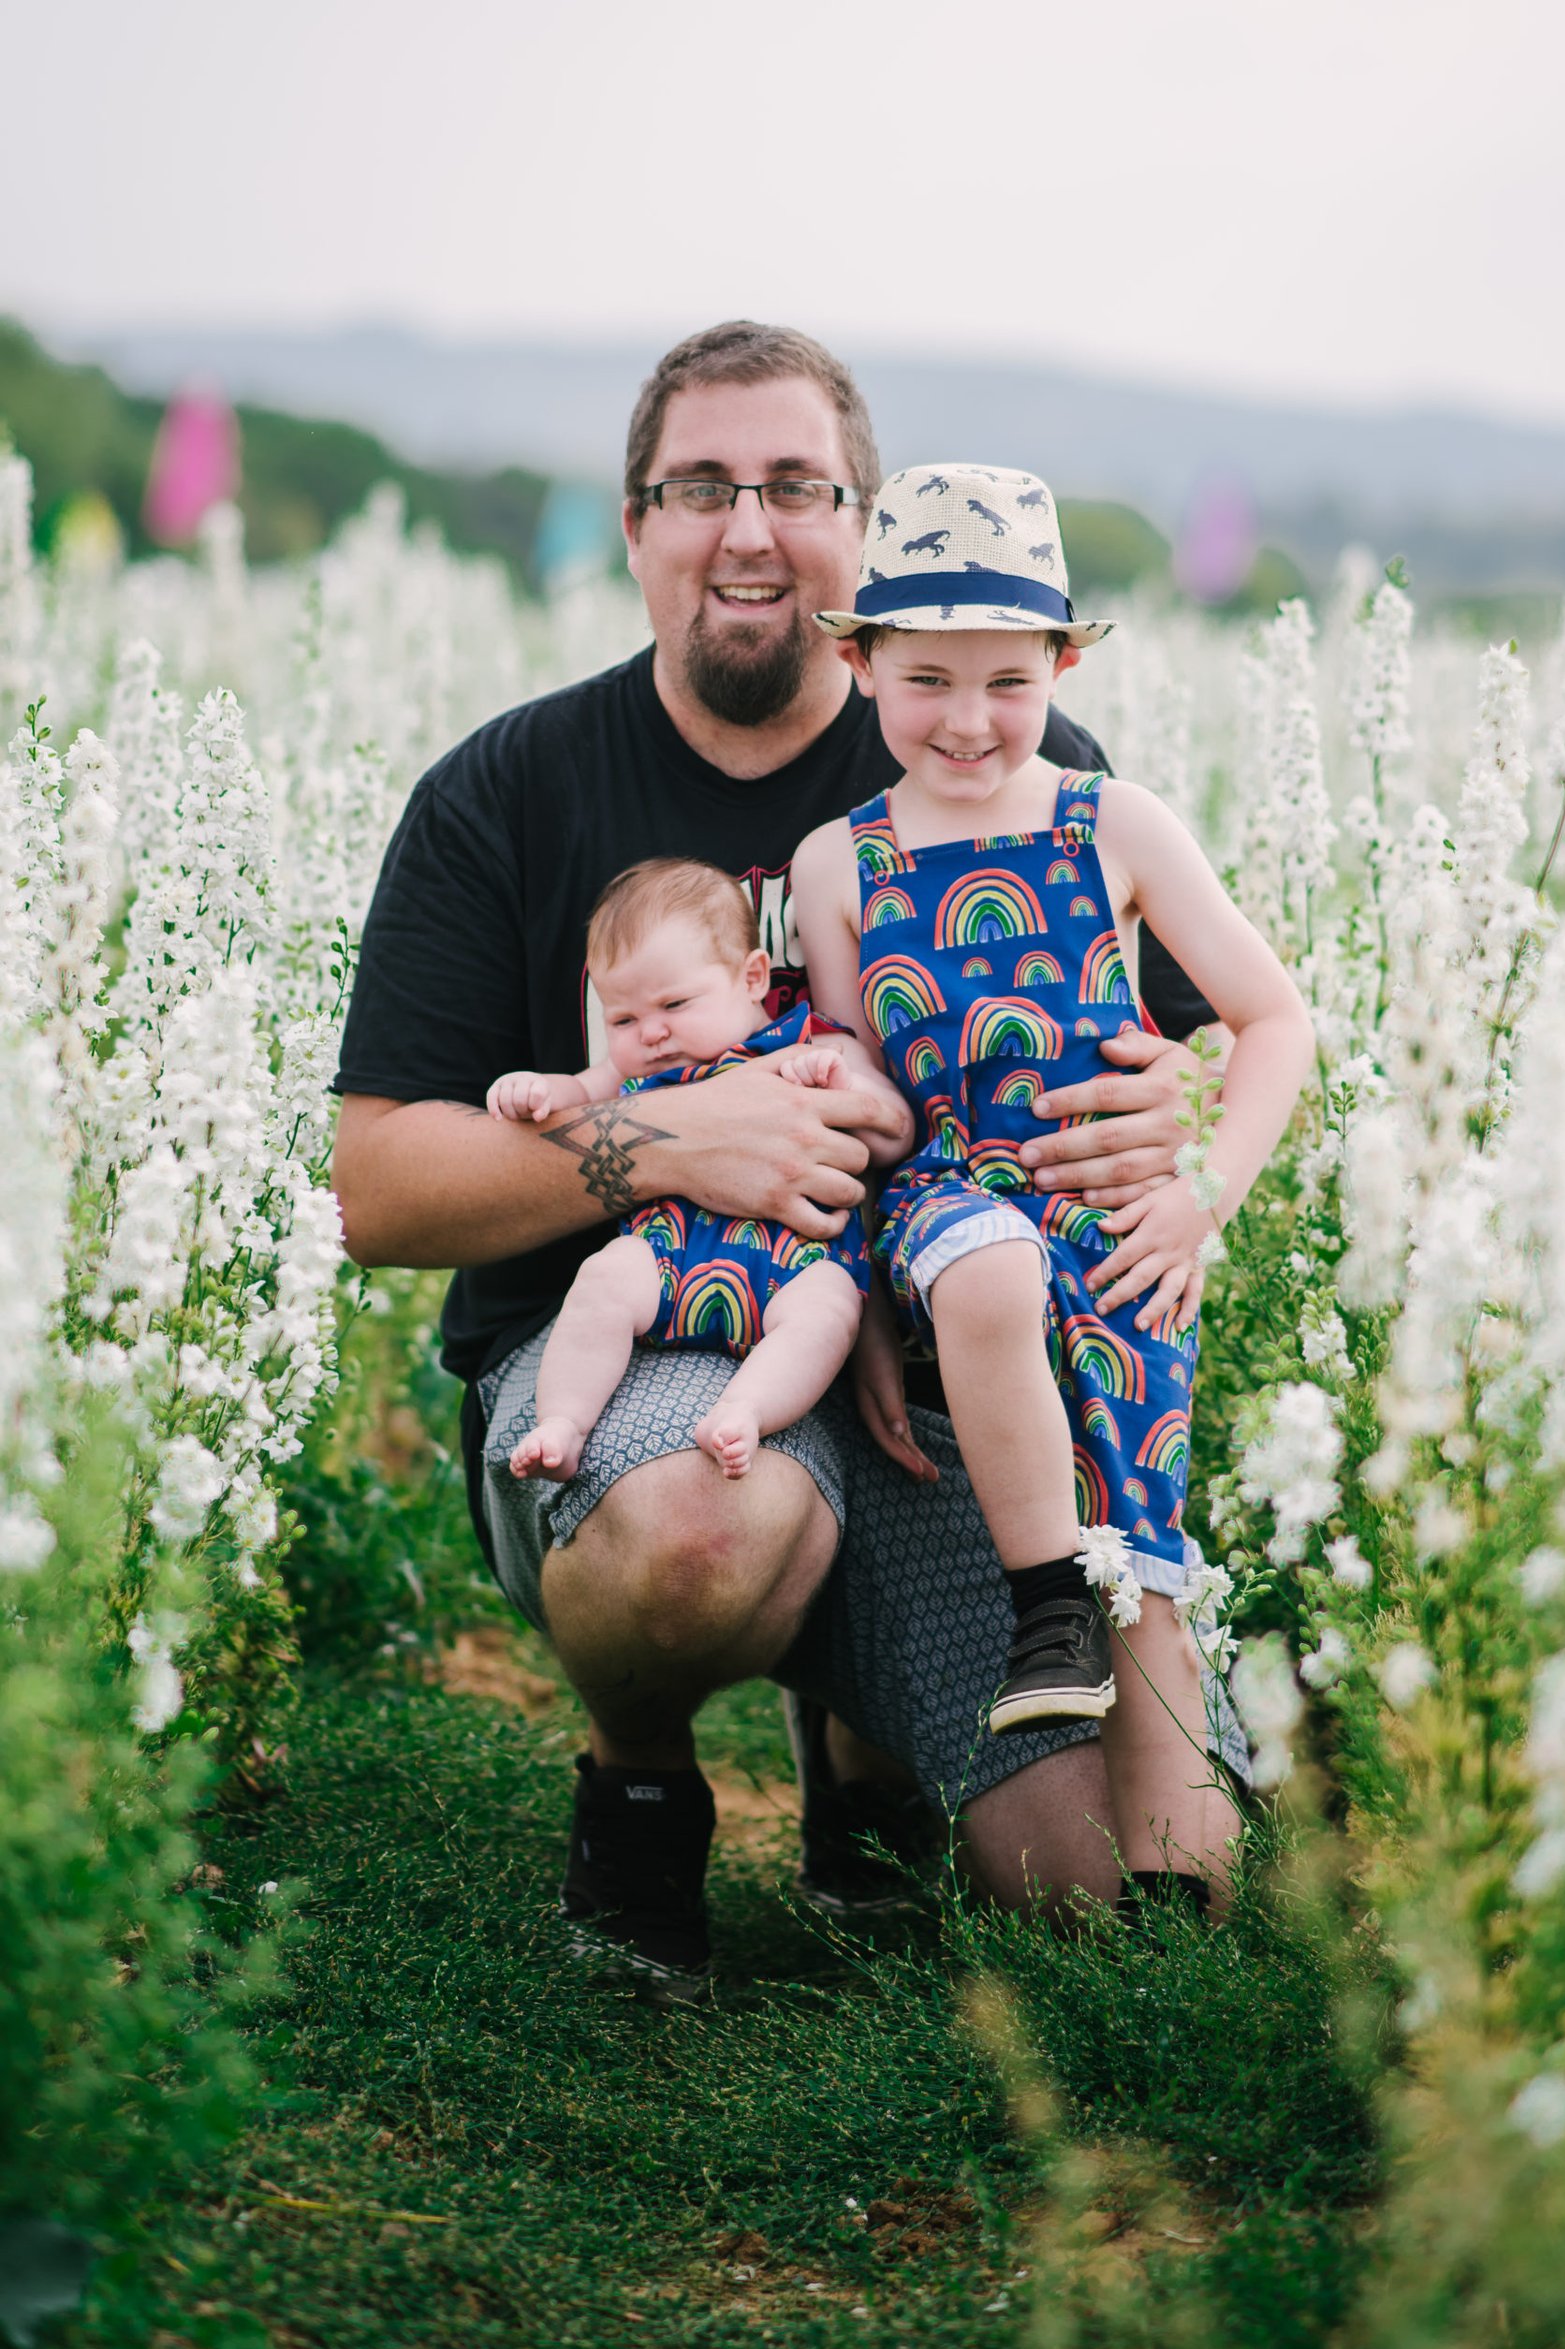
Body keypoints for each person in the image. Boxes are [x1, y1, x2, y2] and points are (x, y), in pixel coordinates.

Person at [331, 321, 1242, 1995]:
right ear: (634, 526)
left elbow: (1181, 1036)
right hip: (645, 1354)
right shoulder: (507, 791)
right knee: (698, 1518)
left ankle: (867, 1759)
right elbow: (381, 1188)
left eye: (798, 487)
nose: (747, 527)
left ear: (862, 538)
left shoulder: (1011, 762)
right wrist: (673, 1145)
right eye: (699, 486)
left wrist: (1166, 1111)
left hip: (951, 1374)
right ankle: (643, 1784)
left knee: (1093, 1879)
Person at [791, 464, 1314, 1909]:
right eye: (928, 680)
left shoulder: (1118, 825)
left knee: (1146, 1560)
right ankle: (1040, 1618)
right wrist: (858, 1312)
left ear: (1066, 667)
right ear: (860, 667)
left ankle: (1172, 1917)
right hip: (946, 1209)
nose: (968, 720)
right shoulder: (839, 864)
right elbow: (858, 1107)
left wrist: (1202, 1189)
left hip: (1120, 1229)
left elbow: (1275, 1021)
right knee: (985, 1266)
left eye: (1009, 681)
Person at [485, 857, 907, 1484]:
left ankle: (744, 1411)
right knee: (601, 1280)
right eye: (622, 1020)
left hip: (794, 1270)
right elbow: (575, 1094)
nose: (651, 1034)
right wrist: (533, 1091)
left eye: (674, 1003)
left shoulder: (814, 1044)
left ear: (752, 976)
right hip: (663, 1263)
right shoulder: (633, 1075)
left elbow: (893, 1129)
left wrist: (834, 1084)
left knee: (830, 1311)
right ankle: (564, 1423)